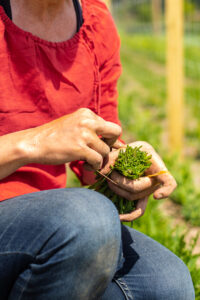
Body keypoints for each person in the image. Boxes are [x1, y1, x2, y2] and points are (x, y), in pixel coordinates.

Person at [0, 0, 195, 299]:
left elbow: (96, 160)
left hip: (52, 221)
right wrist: (34, 143)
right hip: (57, 222)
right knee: (86, 219)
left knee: (166, 283)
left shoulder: (94, 24)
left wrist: (125, 165)